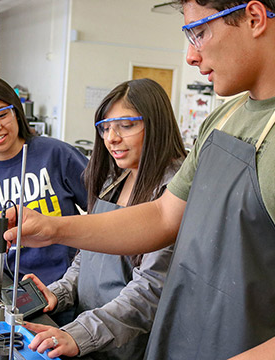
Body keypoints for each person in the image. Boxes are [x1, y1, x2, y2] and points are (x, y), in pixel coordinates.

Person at [0, 1, 275, 359]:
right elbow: (162, 216)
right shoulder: (224, 119)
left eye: (198, 32)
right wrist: (53, 228)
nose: (190, 55)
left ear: (253, 17)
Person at [21, 78, 186, 359]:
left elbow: (150, 291)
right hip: (89, 337)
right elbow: (87, 257)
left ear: (156, 123)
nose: (111, 138)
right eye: (105, 128)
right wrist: (58, 293)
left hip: (129, 346)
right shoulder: (115, 180)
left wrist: (78, 333)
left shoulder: (174, 191)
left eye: (126, 125)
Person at [0, 75, 88, 286]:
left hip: (73, 287)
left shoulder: (56, 154)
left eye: (1, 114)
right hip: (14, 291)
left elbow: (106, 212)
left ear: (16, 111)